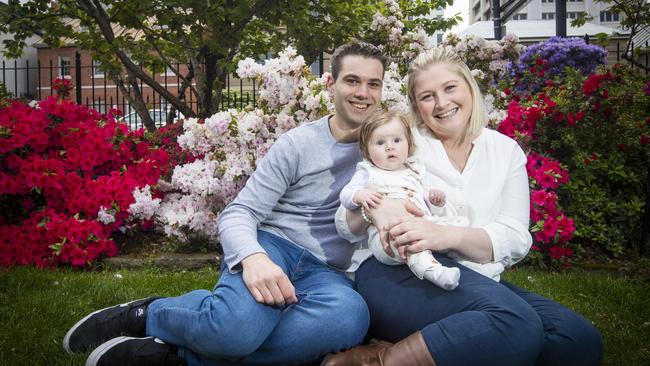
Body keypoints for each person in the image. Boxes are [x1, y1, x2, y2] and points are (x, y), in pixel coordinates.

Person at [62, 42, 388, 366]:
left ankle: (180, 356)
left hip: (326, 272)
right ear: (331, 84)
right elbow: (239, 211)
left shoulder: (391, 146)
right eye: (352, 80)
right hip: (272, 247)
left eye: (373, 83)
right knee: (235, 332)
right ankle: (147, 314)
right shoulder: (298, 144)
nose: (363, 92)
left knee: (350, 319)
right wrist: (254, 257)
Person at [324, 47, 603, 366]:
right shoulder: (402, 143)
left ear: (470, 88)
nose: (442, 103)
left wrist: (445, 236)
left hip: (477, 279)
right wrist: (375, 208)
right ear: (417, 106)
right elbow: (344, 225)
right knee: (515, 324)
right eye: (427, 97)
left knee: (576, 340)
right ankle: (381, 362)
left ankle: (396, 348)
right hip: (396, 275)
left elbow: (515, 237)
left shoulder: (504, 150)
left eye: (450, 88)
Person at [339, 109, 467, 291]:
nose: (390, 147)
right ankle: (434, 272)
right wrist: (359, 195)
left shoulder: (415, 170)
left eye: (397, 140)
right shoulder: (367, 172)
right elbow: (346, 194)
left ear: (409, 143)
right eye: (380, 142)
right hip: (389, 236)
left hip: (422, 225)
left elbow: (427, 205)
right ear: (366, 151)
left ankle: (468, 264)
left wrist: (434, 201)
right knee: (410, 242)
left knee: (456, 227)